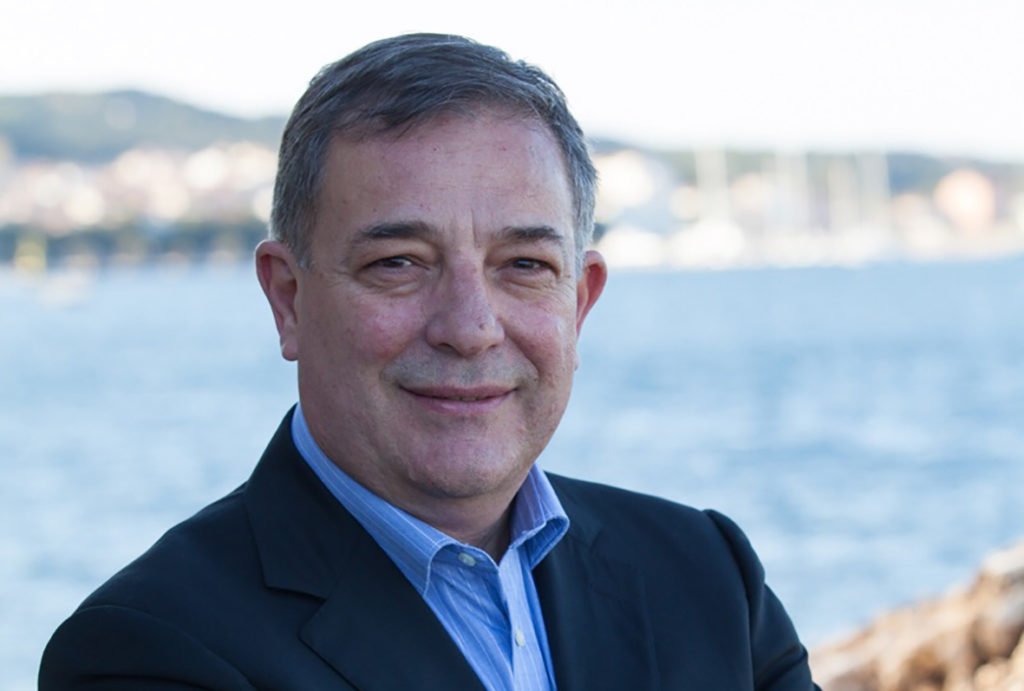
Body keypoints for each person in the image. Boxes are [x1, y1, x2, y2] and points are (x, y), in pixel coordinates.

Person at [40, 33, 819, 690]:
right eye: (399, 263)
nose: (470, 328)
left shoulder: (708, 578)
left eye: (524, 265)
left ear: (579, 303)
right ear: (288, 298)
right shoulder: (147, 650)